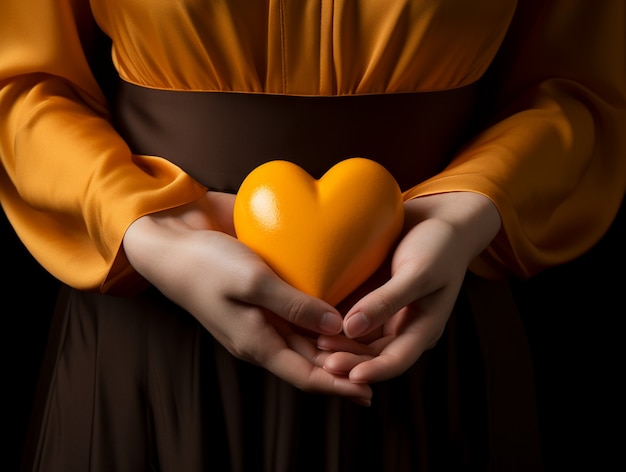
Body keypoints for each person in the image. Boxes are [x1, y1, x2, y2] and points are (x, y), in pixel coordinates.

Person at [1, 1, 624, 471]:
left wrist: (472, 207)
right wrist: (141, 222)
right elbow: (19, 84)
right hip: (149, 334)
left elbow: (577, 88)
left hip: (427, 327)